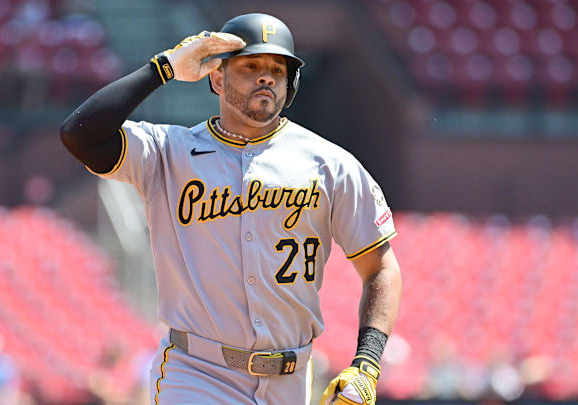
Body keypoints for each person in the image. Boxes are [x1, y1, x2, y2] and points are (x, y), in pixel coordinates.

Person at [60, 13, 402, 405]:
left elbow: (381, 269)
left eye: (278, 68)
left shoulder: (330, 164)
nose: (266, 77)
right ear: (217, 78)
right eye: (251, 65)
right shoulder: (168, 152)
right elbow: (80, 134)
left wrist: (367, 363)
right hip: (197, 374)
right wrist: (165, 68)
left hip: (291, 381)